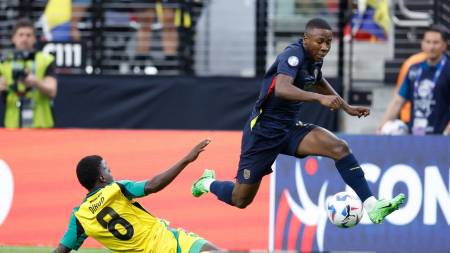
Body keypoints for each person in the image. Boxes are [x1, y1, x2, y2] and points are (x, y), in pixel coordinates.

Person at [191, 18, 405, 224]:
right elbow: (283, 88)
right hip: (263, 134)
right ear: (305, 39)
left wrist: (346, 107)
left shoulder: (314, 60)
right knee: (240, 199)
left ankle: (371, 206)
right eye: (320, 41)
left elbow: (318, 79)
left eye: (329, 42)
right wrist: (320, 99)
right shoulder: (292, 54)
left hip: (289, 129)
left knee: (339, 148)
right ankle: (207, 182)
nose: (324, 47)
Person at [52, 139, 219, 253]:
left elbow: (61, 250)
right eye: (108, 170)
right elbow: (153, 185)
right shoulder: (116, 189)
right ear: (102, 178)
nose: (112, 174)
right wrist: (187, 159)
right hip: (170, 244)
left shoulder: (80, 216)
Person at [378, 25, 450, 135]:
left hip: (440, 136)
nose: (431, 47)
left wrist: (446, 134)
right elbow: (398, 101)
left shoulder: (447, 70)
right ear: (422, 44)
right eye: (428, 42)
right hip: (416, 135)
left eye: (436, 42)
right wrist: (381, 128)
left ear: (445, 45)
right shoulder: (414, 69)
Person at [0, 18, 57, 128]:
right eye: (20, 35)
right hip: (12, 126)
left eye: (28, 35)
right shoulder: (3, 62)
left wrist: (36, 82)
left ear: (34, 38)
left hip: (41, 126)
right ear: (13, 38)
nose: (24, 39)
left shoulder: (45, 60)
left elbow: (52, 91)